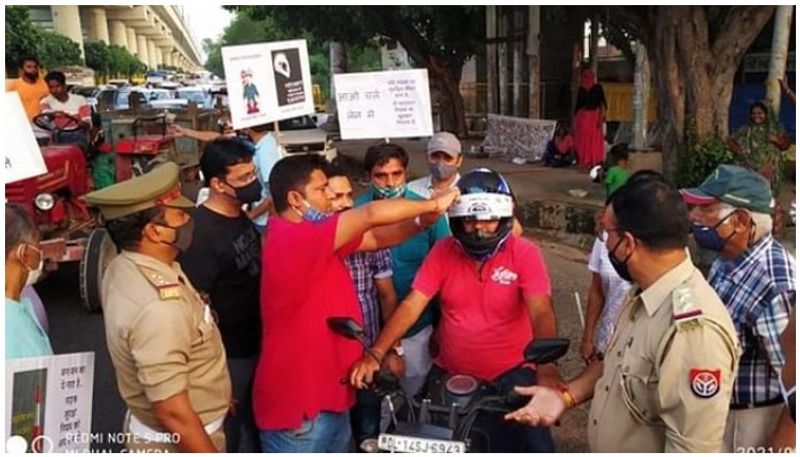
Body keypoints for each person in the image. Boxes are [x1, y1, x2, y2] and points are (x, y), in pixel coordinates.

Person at [505, 178, 740, 452]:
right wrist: (565, 397)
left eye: (607, 233)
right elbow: (615, 363)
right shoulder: (642, 293)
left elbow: (692, 448)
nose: (604, 245)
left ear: (627, 243)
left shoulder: (692, 330)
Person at [253, 154, 459, 453]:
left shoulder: (316, 236)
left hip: (330, 397)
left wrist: (420, 222)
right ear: (296, 200)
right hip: (300, 409)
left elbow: (375, 238)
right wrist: (433, 204)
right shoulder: (292, 238)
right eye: (323, 191)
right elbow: (370, 214)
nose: (331, 199)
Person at [350, 168, 560, 452]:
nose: (478, 228)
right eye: (469, 220)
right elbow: (414, 302)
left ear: (504, 218)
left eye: (487, 220)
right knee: (411, 437)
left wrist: (546, 370)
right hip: (449, 373)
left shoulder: (525, 253)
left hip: (513, 373)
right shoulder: (443, 250)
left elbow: (541, 311)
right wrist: (377, 352)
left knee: (536, 445)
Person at [85, 163, 231, 452]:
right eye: (178, 215)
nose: (188, 219)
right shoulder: (159, 307)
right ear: (155, 232)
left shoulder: (126, 265)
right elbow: (173, 413)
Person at [681, 164, 796, 452]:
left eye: (706, 210)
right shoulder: (726, 258)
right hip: (721, 414)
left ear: (742, 220)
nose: (694, 217)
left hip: (753, 423)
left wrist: (780, 445)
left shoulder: (775, 283)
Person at [178, 139, 263, 452]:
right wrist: (212, 374)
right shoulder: (200, 234)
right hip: (229, 356)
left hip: (254, 343)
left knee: (256, 423)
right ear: (218, 184)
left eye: (253, 174)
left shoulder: (239, 216)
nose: (253, 183)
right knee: (230, 432)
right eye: (243, 179)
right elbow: (198, 306)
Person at [355, 143, 451, 397]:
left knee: (414, 398)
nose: (389, 182)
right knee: (372, 403)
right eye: (381, 175)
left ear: (406, 174)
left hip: (417, 327)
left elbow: (448, 272)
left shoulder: (430, 213)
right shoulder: (354, 214)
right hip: (367, 329)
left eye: (396, 174)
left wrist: (441, 328)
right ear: (368, 177)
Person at [326, 162, 400, 453]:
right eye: (336, 197)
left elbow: (387, 296)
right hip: (328, 366)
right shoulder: (307, 242)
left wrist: (391, 349)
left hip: (367, 356)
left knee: (368, 434)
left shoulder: (370, 239)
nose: (346, 204)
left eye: (348, 196)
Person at [579, 193, 632, 363]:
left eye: (609, 230)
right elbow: (597, 291)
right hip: (606, 343)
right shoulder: (603, 241)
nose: (606, 243)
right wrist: (588, 338)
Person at [5, 203, 53, 359]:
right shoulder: (8, 324)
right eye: (37, 247)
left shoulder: (20, 304)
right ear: (24, 254)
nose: (40, 254)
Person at [727, 101, 790, 196]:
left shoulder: (776, 128)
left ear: (766, 114)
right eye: (753, 114)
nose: (756, 116)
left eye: (760, 113)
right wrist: (738, 151)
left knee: (769, 196)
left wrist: (777, 140)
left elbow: (786, 146)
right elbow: (730, 140)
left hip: (770, 170)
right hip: (751, 169)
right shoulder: (746, 128)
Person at [244, 124, 281, 233]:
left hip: (265, 220)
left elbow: (274, 193)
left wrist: (252, 214)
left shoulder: (265, 151)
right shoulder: (265, 143)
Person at [39, 71, 92, 146]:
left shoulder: (80, 100)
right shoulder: (45, 102)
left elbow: (87, 123)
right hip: (58, 135)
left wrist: (75, 120)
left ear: (64, 86)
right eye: (51, 87)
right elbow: (46, 115)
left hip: (77, 135)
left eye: (57, 86)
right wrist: (54, 115)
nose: (54, 90)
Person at [407, 131, 463, 198]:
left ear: (459, 160)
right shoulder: (412, 190)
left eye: (448, 158)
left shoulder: (470, 192)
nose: (440, 163)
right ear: (427, 157)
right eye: (435, 156)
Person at [573, 65, 607, 169]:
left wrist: (601, 118)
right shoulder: (581, 89)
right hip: (583, 117)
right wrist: (575, 119)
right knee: (582, 139)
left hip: (595, 116)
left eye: (588, 76)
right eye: (584, 76)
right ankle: (584, 161)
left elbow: (603, 104)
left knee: (594, 139)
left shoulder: (598, 88)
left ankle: (594, 160)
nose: (585, 78)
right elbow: (578, 106)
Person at [5, 55, 49, 120]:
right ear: (21, 69)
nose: (33, 69)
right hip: (23, 123)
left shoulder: (44, 83)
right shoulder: (14, 85)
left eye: (35, 67)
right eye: (29, 67)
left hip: (43, 122)